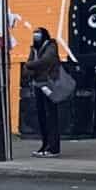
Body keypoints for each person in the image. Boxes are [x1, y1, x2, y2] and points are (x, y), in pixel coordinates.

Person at [26, 28, 65, 158]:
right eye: (34, 34)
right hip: (38, 85)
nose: (36, 37)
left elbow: (46, 60)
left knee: (51, 116)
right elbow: (29, 64)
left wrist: (30, 65)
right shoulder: (34, 49)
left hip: (49, 85)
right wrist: (30, 67)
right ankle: (44, 145)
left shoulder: (51, 46)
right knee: (42, 117)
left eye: (38, 34)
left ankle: (53, 148)